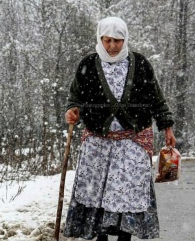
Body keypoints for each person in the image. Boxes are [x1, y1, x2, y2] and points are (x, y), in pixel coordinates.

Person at [63, 17, 176, 241]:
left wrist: (167, 127)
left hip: (132, 141)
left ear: (125, 40)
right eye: (107, 40)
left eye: (118, 40)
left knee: (129, 192)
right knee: (97, 192)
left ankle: (125, 237)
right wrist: (72, 110)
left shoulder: (141, 64)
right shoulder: (88, 64)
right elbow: (74, 97)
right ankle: (101, 237)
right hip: (98, 141)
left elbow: (157, 99)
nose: (113, 46)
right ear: (100, 38)